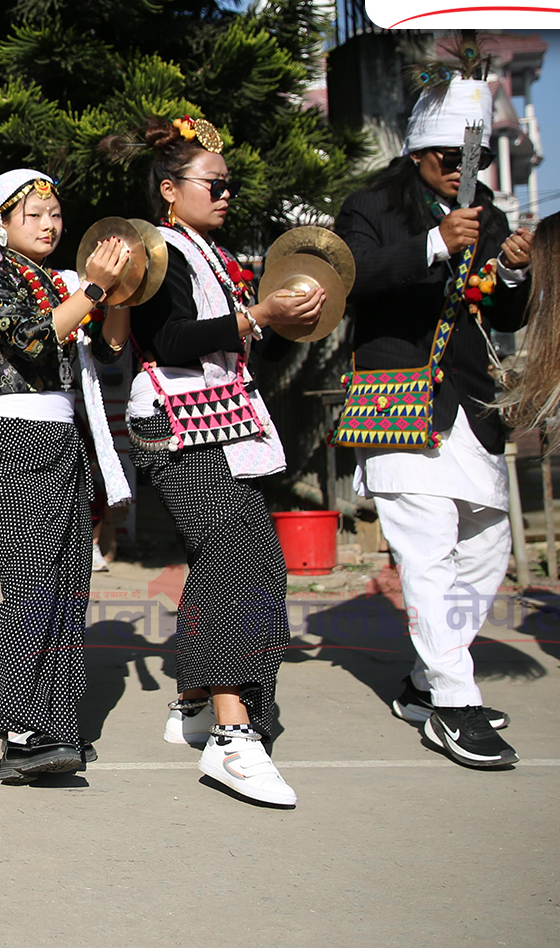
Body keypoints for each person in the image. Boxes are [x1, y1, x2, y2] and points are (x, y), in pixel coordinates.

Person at [108, 114, 320, 808]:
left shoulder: (219, 260)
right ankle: (231, 733)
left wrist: (289, 319)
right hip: (174, 420)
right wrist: (256, 315)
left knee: (250, 557)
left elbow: (249, 344)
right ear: (170, 190)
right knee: (236, 549)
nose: (226, 193)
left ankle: (198, 700)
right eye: (214, 183)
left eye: (229, 185)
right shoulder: (153, 249)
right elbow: (166, 337)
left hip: (222, 420)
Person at [335, 73, 537, 769]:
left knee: (487, 547)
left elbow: (505, 316)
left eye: (470, 157)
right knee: (425, 550)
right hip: (392, 391)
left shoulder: (492, 214)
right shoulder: (367, 208)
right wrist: (432, 244)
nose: (461, 170)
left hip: (470, 403)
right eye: (448, 157)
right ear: (418, 154)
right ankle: (455, 701)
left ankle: (425, 682)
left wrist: (510, 272)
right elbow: (350, 277)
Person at [0, 169, 133, 780]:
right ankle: (21, 736)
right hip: (15, 438)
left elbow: (105, 354)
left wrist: (119, 297)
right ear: (0, 223)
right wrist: (96, 291)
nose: (51, 225)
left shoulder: (64, 282)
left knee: (68, 585)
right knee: (30, 584)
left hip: (62, 434)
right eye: (35, 215)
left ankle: (57, 724)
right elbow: (31, 341)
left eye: (55, 214)